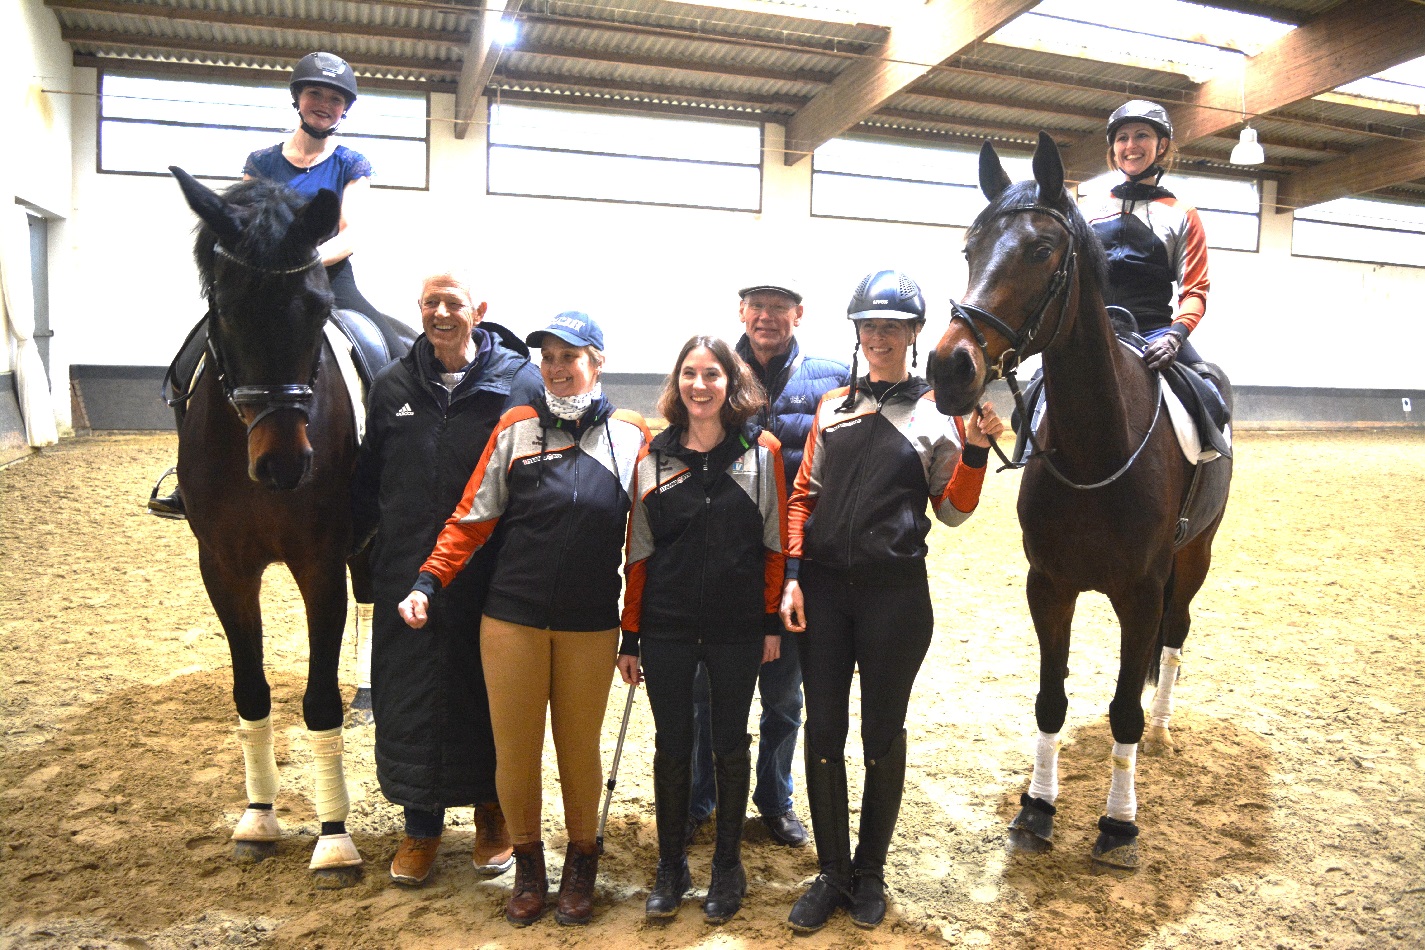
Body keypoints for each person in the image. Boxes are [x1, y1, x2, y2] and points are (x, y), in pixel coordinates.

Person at [398, 312, 649, 927]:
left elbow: (640, 548)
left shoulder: (634, 436)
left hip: (591, 626)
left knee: (577, 751)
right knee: (515, 750)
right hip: (511, 619)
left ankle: (582, 864)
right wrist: (428, 580)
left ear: (598, 360)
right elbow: (471, 516)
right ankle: (532, 869)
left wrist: (633, 630)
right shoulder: (516, 426)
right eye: (548, 359)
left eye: (570, 357)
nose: (558, 370)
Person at [779, 270, 1004, 934]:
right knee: (822, 734)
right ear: (857, 334)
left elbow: (954, 510)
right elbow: (801, 497)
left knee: (881, 735)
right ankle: (830, 871)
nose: (878, 338)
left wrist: (974, 451)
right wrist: (792, 575)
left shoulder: (940, 412)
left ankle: (869, 870)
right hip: (821, 592)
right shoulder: (831, 408)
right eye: (868, 327)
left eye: (891, 327)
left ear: (912, 335)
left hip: (894, 597)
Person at [350, 272, 542, 890]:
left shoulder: (518, 381)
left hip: (491, 569)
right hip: (407, 569)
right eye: (430, 303)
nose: (440, 313)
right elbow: (368, 480)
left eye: (452, 303)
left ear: (478, 311)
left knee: (487, 692)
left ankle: (492, 815)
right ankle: (421, 827)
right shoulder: (391, 388)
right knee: (410, 697)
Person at [149, 51, 393, 518]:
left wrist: (301, 262)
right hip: (260, 286)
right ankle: (189, 475)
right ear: (298, 99)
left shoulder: (350, 162)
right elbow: (240, 217)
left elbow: (352, 230)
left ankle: (377, 467)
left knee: (382, 353)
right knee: (189, 361)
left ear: (345, 109)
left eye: (335, 98)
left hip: (326, 282)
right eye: (316, 93)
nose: (324, 103)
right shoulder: (261, 160)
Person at [616, 336, 788, 924]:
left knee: (729, 745)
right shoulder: (653, 458)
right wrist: (630, 636)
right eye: (689, 374)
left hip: (737, 629)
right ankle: (671, 865)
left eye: (711, 374)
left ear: (730, 383)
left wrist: (770, 624)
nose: (700, 384)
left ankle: (727, 866)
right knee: (672, 747)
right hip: (665, 628)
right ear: (677, 383)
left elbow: (773, 545)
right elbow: (638, 554)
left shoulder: (762, 453)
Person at [684, 281, 848, 852]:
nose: (767, 317)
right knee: (707, 695)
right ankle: (700, 796)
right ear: (741, 312)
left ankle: (774, 800)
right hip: (724, 564)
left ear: (799, 314)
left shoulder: (833, 377)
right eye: (757, 306)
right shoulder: (715, 369)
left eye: (780, 307)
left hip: (800, 567)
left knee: (784, 697)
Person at [1087, 99, 1211, 371]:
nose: (1130, 146)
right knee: (1030, 402)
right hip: (1091, 332)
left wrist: (1174, 337)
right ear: (1114, 148)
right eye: (1122, 138)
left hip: (1153, 331)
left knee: (1211, 396)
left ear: (1162, 145)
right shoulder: (1088, 211)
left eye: (1141, 135)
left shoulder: (1182, 215)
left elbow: (1194, 291)